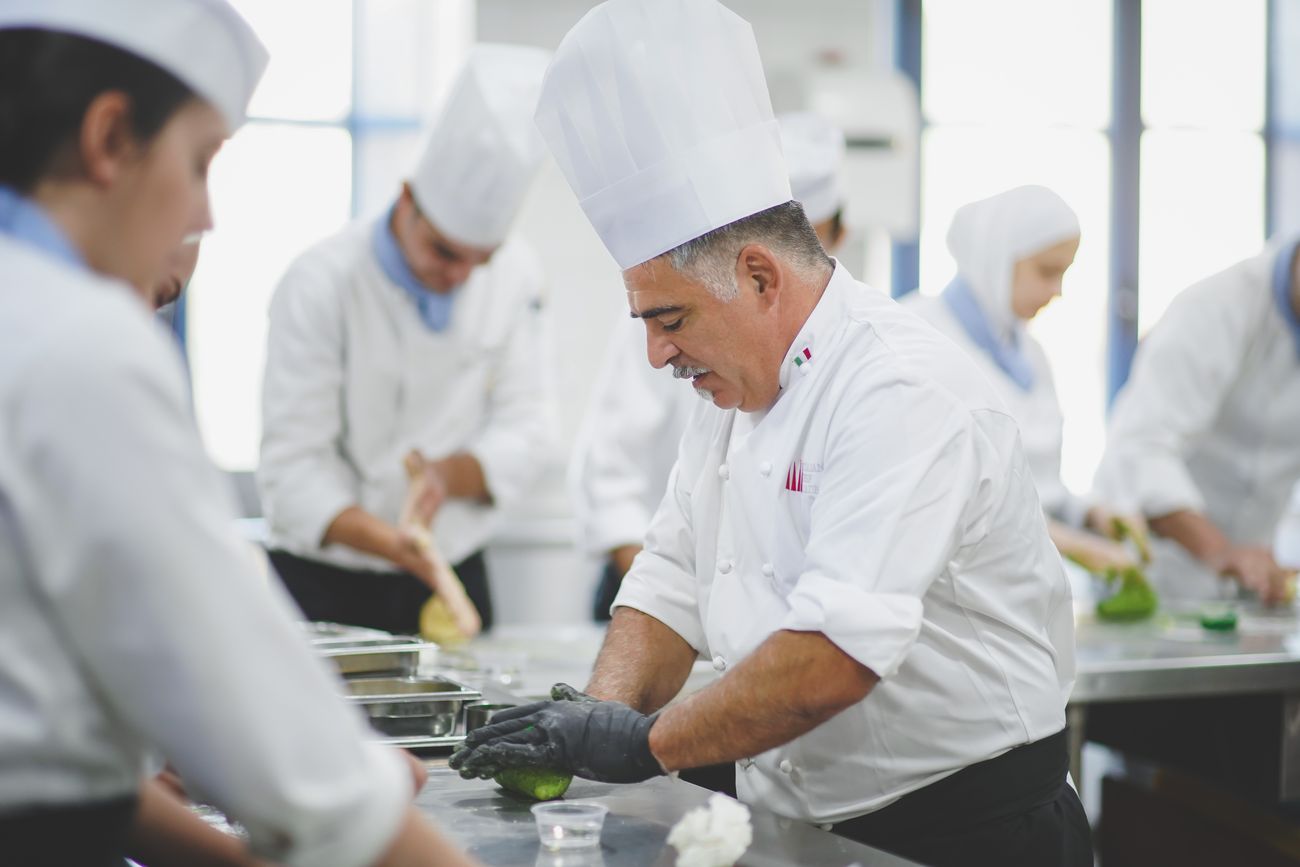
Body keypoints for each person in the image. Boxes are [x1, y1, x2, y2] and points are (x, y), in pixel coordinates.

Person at [452, 2, 1091, 865]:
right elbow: (672, 577)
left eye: (667, 317)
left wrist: (636, 745)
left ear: (757, 275)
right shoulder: (732, 396)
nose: (654, 353)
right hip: (800, 816)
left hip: (961, 832)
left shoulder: (898, 388)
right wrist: (590, 719)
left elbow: (834, 654)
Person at [0, 2, 477, 865]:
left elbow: (48, 750)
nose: (206, 214)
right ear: (110, 137)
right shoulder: (77, 342)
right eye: (199, 162)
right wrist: (348, 785)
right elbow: (307, 784)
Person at [258, 44, 556, 636]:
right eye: (445, 252)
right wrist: (391, 541)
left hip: (455, 575)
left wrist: (449, 476)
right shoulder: (320, 282)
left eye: (480, 260)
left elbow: (529, 428)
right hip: (327, 582)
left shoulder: (517, 275)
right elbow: (292, 468)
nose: (459, 276)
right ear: (406, 202)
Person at [571, 110, 850, 622]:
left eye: (809, 239)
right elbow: (614, 473)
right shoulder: (677, 330)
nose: (660, 354)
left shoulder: (870, 363)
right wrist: (678, 598)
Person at [904, 186, 1146, 576]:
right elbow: (942, 492)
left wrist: (1090, 514)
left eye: (1064, 274)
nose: (1057, 292)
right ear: (996, 257)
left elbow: (1035, 481)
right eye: (1048, 272)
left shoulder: (1028, 354)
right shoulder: (918, 335)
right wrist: (1070, 544)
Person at [1092, 236, 1300, 603]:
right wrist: (1220, 551)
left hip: (1253, 580)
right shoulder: (1219, 304)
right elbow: (1142, 447)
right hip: (1159, 568)